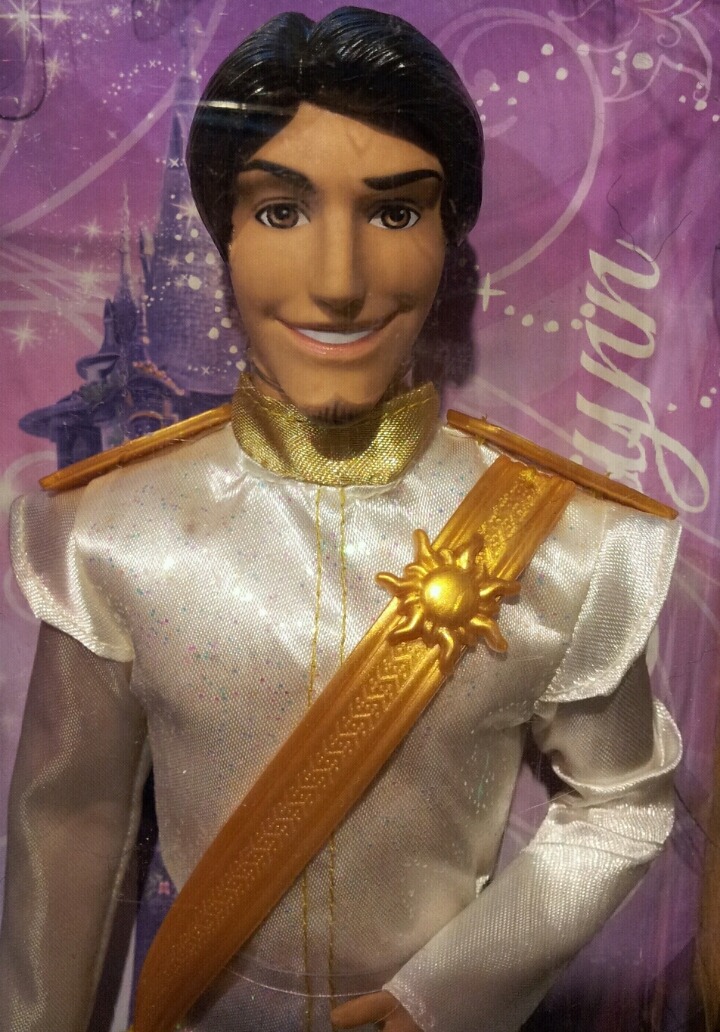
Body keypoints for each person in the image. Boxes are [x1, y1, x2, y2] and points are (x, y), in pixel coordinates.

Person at [0, 9, 681, 1032]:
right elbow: (71, 822)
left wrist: (448, 992)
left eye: (395, 213)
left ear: (450, 238)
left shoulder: (565, 542)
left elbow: (622, 803)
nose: (337, 281)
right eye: (279, 211)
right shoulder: (113, 533)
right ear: (223, 235)